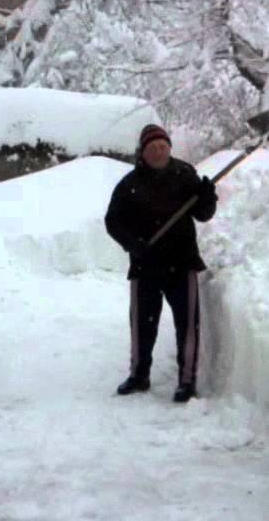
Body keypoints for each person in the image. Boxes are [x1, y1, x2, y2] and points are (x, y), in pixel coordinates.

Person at [104, 123, 218, 403]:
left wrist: (207, 198)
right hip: (145, 265)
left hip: (182, 262)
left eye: (163, 146)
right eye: (153, 147)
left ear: (169, 148)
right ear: (142, 152)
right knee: (141, 325)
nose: (158, 151)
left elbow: (203, 214)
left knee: (187, 325)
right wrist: (132, 244)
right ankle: (139, 375)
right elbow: (112, 222)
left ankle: (187, 382)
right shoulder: (129, 185)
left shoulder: (185, 175)